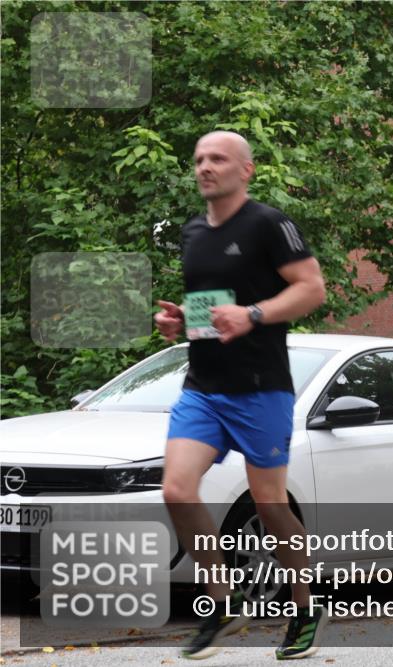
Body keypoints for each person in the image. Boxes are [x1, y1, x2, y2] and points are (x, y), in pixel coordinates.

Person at [154, 131, 327, 659]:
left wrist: (253, 315)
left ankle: (304, 606)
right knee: (177, 491)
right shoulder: (191, 233)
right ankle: (223, 602)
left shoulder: (269, 224)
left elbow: (311, 289)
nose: (206, 167)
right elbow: (215, 308)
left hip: (260, 389)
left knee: (270, 505)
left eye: (218, 159)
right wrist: (183, 320)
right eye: (200, 159)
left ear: (245, 170)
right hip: (204, 386)